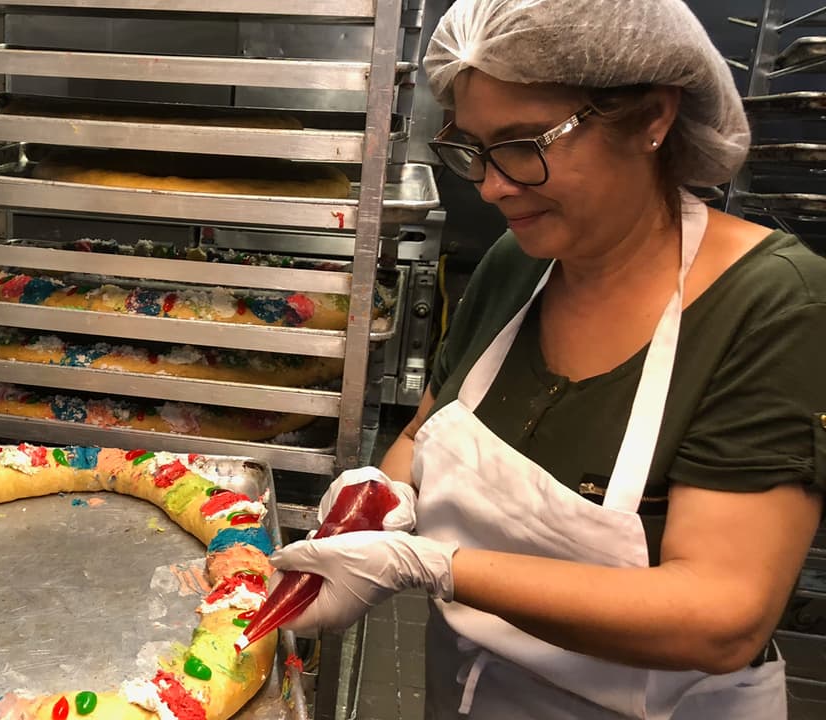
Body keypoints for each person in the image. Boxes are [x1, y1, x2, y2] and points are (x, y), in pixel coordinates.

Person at [268, 1, 826, 718]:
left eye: (524, 142)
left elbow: (721, 615)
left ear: (654, 117)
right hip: (471, 692)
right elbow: (430, 428)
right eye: (471, 147)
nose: (492, 185)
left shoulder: (773, 307)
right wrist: (371, 505)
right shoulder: (520, 263)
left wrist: (430, 564)